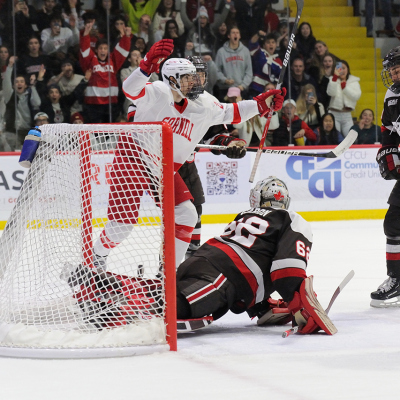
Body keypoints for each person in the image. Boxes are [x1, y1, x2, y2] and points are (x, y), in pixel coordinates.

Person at [91, 39, 286, 270]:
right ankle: (97, 257)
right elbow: (129, 89)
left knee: (187, 214)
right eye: (187, 78)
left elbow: (232, 112)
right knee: (121, 227)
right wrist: (145, 66)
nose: (194, 82)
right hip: (133, 157)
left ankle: (168, 276)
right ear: (172, 80)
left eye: (194, 77)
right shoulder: (158, 92)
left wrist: (261, 105)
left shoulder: (203, 103)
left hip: (162, 166)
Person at [174, 175, 337, 335]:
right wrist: (301, 307)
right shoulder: (291, 218)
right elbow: (287, 272)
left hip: (199, 260)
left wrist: (262, 306)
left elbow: (252, 257)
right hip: (221, 277)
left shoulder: (245, 215)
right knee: (170, 308)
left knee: (162, 294)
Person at [371, 45, 400, 307]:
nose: (394, 73)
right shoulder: (392, 95)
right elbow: (388, 129)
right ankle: (397, 279)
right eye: (392, 69)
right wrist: (388, 150)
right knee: (393, 223)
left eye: (398, 67)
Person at [79, 19, 131, 123]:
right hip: (93, 104)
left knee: (110, 133)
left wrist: (127, 36)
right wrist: (85, 34)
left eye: (105, 48)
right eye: (100, 48)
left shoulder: (113, 60)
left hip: (111, 104)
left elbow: (123, 50)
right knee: (95, 133)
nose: (103, 51)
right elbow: (84, 50)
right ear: (97, 50)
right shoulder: (91, 60)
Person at [215, 26, 253, 101]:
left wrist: (243, 86)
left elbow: (249, 72)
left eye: (237, 33)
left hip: (241, 89)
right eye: (233, 33)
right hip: (225, 89)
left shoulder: (245, 51)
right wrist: (225, 80)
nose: (235, 35)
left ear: (239, 36)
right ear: (229, 36)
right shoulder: (221, 52)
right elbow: (216, 71)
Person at [327, 60, 361, 137]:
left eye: (344, 68)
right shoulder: (332, 79)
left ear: (347, 69)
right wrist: (335, 78)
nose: (341, 70)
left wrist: (344, 88)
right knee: (335, 137)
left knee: (350, 138)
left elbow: (356, 96)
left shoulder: (353, 81)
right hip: (334, 113)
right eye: (339, 68)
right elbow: (330, 93)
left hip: (347, 114)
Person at [248, 31, 282, 98]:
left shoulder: (279, 61)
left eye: (273, 42)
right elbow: (252, 43)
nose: (271, 44)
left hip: (269, 92)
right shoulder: (259, 53)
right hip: (256, 89)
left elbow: (278, 79)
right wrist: (258, 34)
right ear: (264, 45)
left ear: (276, 45)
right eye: (268, 42)